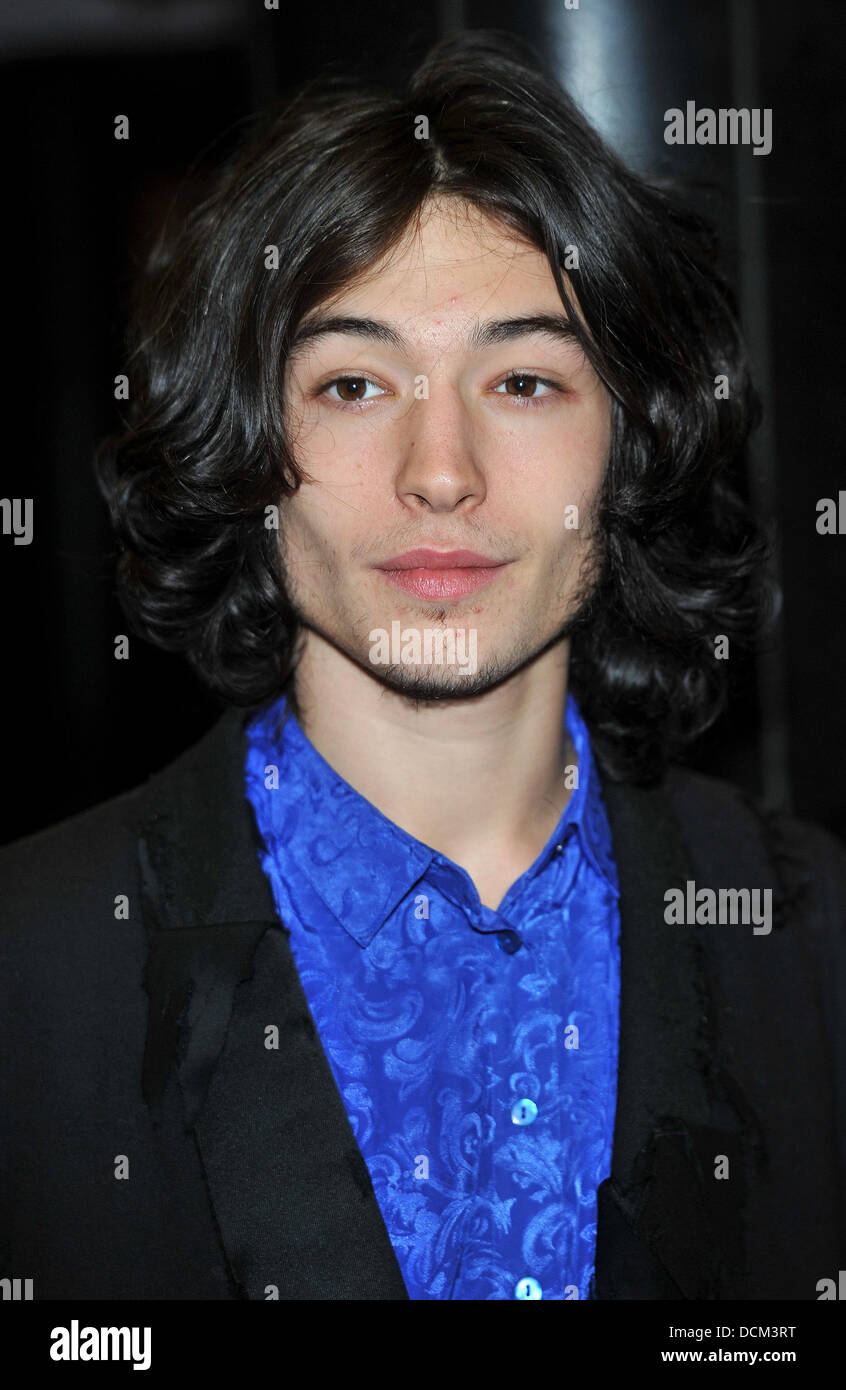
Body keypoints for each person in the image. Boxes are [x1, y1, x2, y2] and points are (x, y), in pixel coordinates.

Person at [1, 31, 843, 1302]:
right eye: (351, 383)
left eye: (521, 379)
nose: (439, 469)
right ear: (243, 441)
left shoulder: (808, 932)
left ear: (630, 443)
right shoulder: (32, 966)